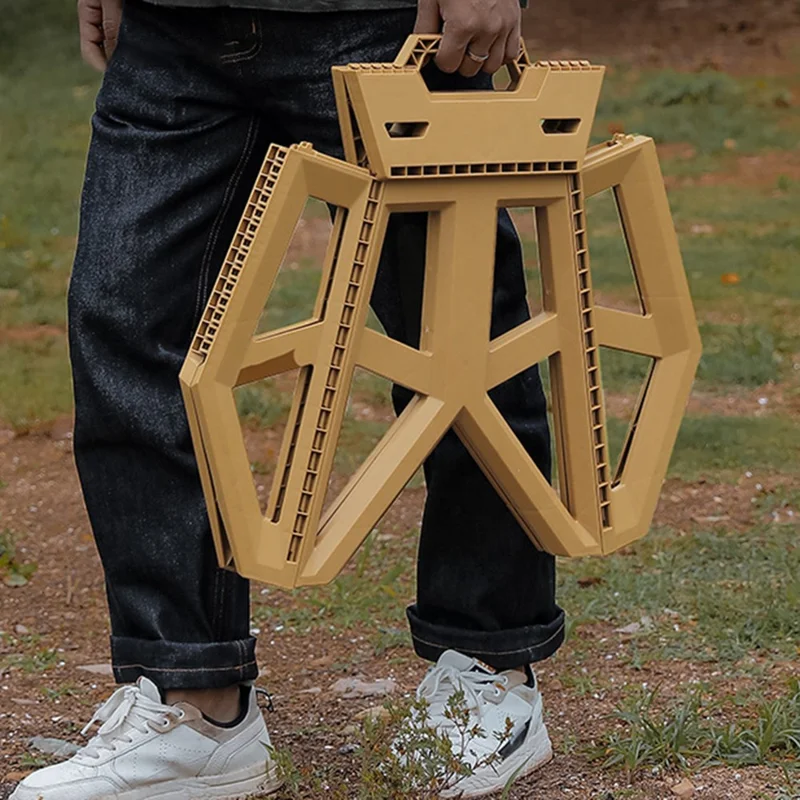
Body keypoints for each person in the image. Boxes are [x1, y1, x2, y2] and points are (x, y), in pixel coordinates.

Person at [12, 0, 565, 797]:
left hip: (387, 25)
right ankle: (197, 705)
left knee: (460, 335)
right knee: (125, 319)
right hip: (176, 25)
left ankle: (491, 667)